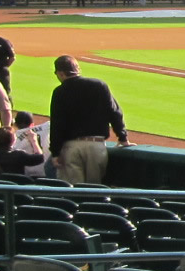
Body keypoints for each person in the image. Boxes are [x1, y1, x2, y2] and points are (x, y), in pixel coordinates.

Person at [48, 54, 132, 184]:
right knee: (94, 190)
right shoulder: (99, 85)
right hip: (96, 146)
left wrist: (55, 152)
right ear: (78, 70)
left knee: (72, 192)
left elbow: (57, 124)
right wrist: (123, 137)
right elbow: (115, 112)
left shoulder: (60, 92)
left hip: (72, 148)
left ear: (60, 73)